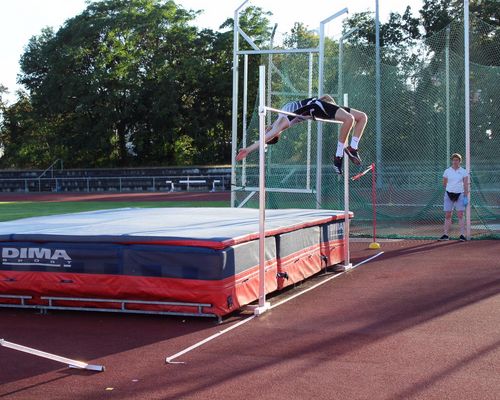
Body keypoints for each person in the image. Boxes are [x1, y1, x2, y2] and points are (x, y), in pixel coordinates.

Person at [235, 95, 368, 175]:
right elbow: (265, 139)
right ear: (275, 136)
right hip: (316, 107)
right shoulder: (281, 123)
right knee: (349, 119)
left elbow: (319, 99)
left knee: (362, 117)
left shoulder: (278, 118)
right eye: (266, 132)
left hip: (318, 104)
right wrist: (248, 149)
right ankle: (339, 155)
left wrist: (328, 104)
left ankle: (352, 148)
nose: (265, 128)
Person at [439, 153, 469, 242]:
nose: (455, 161)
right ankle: (445, 235)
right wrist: (450, 190)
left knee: (460, 214)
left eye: (457, 160)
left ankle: (462, 235)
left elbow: (466, 184)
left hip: (460, 194)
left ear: (460, 161)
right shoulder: (447, 171)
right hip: (448, 194)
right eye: (454, 160)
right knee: (448, 214)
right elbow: (444, 183)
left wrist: (465, 196)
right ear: (452, 161)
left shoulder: (463, 171)